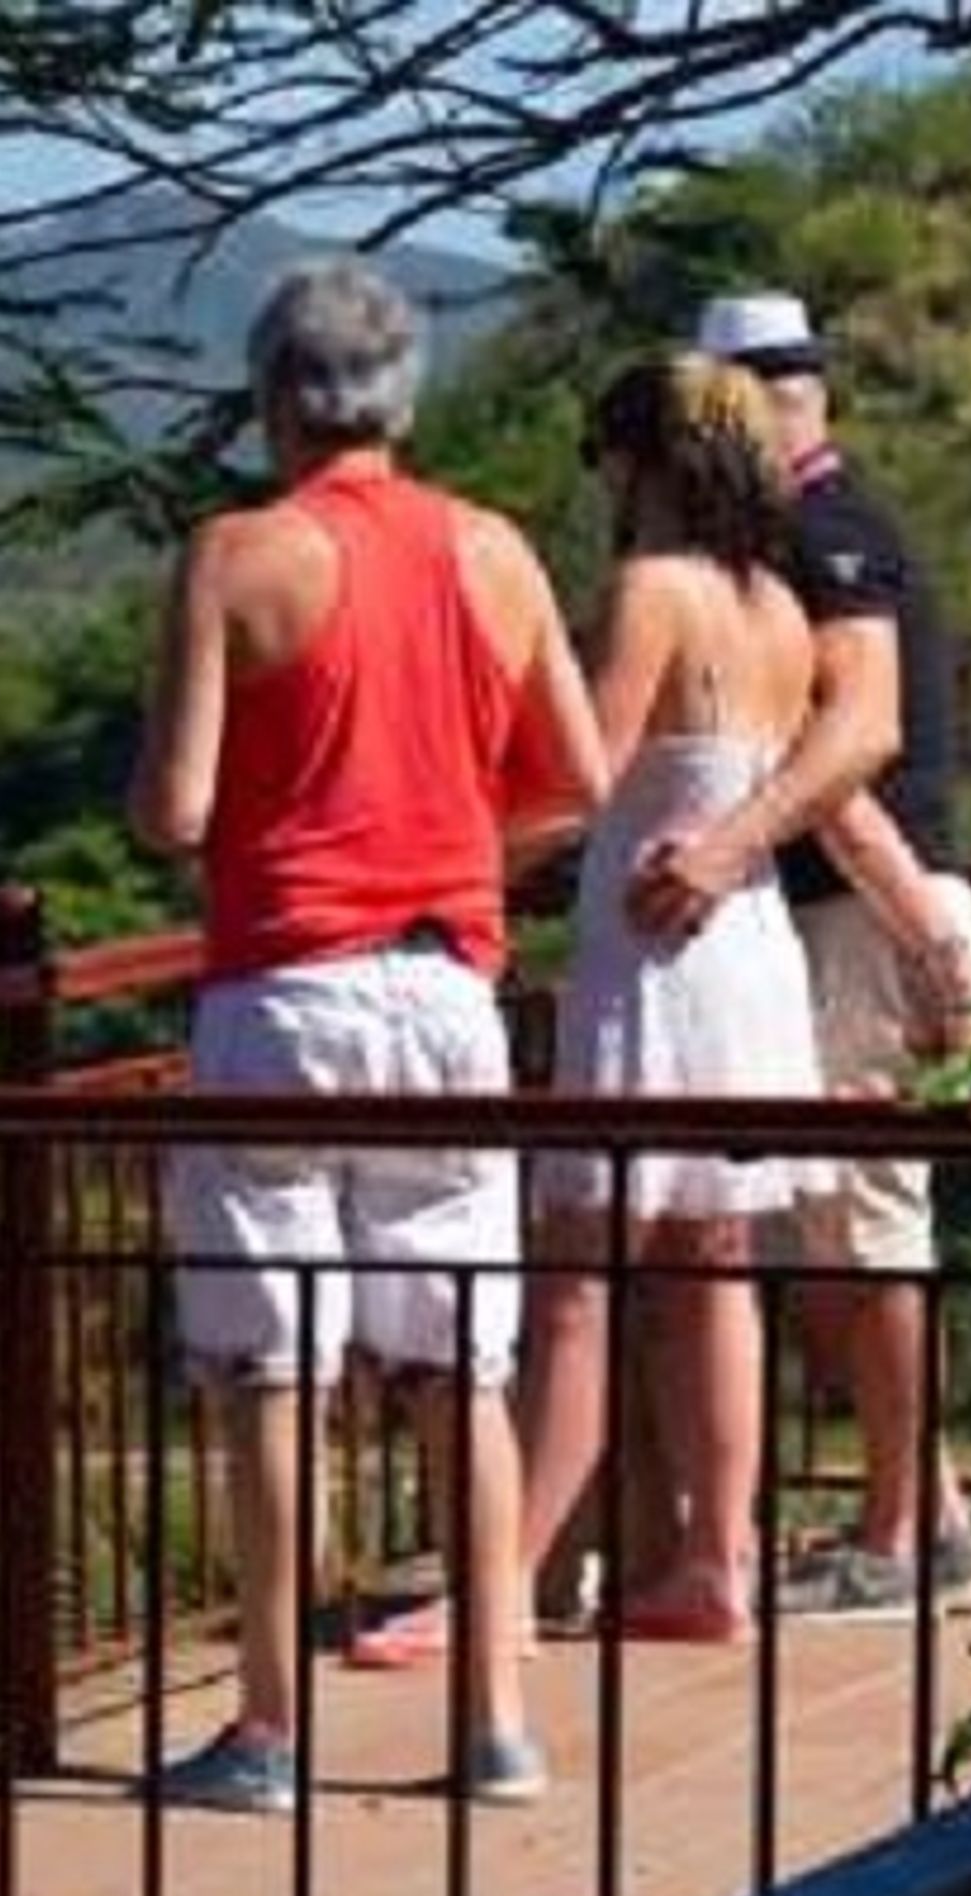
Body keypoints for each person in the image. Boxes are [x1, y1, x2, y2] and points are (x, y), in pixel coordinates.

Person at [127, 257, 609, 1814]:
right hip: (446, 988)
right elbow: (579, 784)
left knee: (272, 1370)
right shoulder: (497, 553)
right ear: (405, 397)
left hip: (279, 991)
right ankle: (496, 1722)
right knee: (460, 1364)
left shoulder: (235, 557)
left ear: (275, 398)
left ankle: (267, 1732)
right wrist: (459, 847)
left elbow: (175, 813)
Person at [631, 290, 971, 1621]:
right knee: (832, 1229)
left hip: (853, 914)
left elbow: (852, 740)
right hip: (841, 912)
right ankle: (933, 1518)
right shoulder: (822, 528)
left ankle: (899, 1536)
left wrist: (729, 845)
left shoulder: (825, 536)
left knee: (863, 1233)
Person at [509, 352, 825, 1645]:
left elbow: (583, 772)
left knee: (579, 1277)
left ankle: (506, 1574)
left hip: (650, 961)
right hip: (747, 952)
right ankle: (715, 1559)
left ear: (639, 462)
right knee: (714, 1266)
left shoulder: (652, 592)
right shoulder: (779, 609)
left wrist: (455, 860)